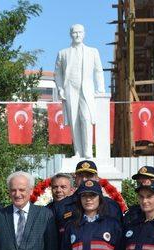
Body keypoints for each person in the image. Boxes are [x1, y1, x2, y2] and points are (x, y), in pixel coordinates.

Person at [54, 24, 105, 158]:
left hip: (86, 89)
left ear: (84, 34)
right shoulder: (63, 53)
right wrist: (60, 88)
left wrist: (101, 88)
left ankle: (88, 151)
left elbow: (98, 70)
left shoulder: (92, 51)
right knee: (74, 119)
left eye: (80, 32)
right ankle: (77, 151)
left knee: (86, 118)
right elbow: (57, 73)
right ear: (71, 34)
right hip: (70, 88)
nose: (77, 35)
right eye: (75, 32)